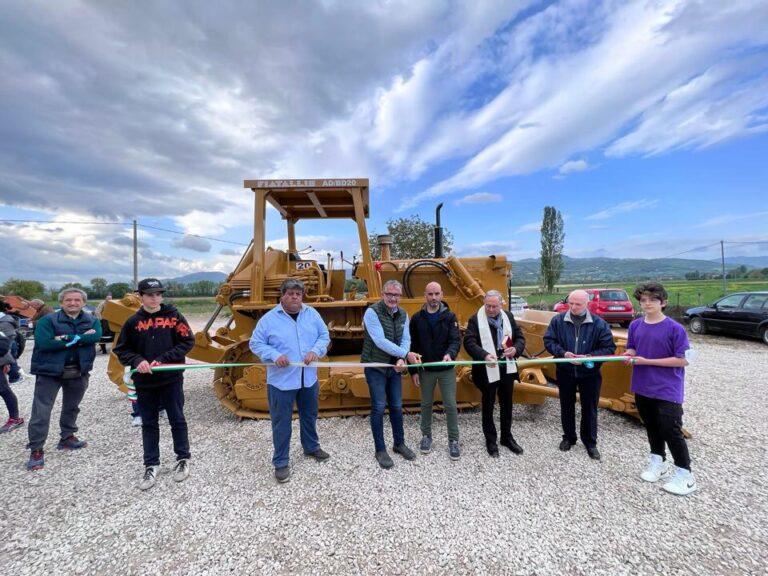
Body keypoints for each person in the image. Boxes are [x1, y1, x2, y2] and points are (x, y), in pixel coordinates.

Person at [113, 278, 195, 491]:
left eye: (158, 294)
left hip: (171, 378)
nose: (155, 298)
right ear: (140, 296)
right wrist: (137, 361)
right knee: (148, 423)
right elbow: (122, 349)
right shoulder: (132, 322)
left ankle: (183, 458)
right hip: (145, 383)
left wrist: (165, 359)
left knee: (177, 419)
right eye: (150, 294)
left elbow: (187, 341)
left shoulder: (175, 317)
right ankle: (151, 464)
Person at [249, 278, 331, 483]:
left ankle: (311, 448)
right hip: (281, 382)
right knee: (281, 422)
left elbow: (324, 336)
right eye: (290, 293)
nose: (295, 297)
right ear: (282, 296)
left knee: (310, 415)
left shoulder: (311, 314)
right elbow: (255, 343)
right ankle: (281, 462)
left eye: (298, 294)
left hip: (308, 379)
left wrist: (315, 351)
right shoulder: (268, 319)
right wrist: (274, 355)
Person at [624, 282, 697, 495]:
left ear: (663, 302)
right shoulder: (635, 325)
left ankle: (686, 475)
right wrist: (630, 353)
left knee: (671, 430)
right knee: (652, 426)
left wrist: (647, 361)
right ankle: (658, 463)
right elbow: (632, 347)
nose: (647, 304)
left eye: (652, 300)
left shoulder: (675, 329)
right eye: (643, 300)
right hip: (642, 386)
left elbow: (683, 361)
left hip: (667, 389)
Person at [26, 288, 101, 470]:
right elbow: (44, 343)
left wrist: (64, 338)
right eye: (68, 300)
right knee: (41, 411)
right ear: (61, 303)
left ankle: (67, 437)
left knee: (72, 406)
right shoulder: (47, 321)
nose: (73, 303)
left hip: (78, 370)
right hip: (49, 372)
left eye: (77, 300)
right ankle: (36, 448)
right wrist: (79, 338)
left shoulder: (92, 320)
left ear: (83, 302)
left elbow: (97, 336)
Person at [543, 289, 616, 460]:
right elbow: (549, 341)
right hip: (565, 371)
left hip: (590, 373)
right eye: (571, 303)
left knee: (589, 408)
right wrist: (563, 353)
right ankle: (568, 438)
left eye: (578, 304)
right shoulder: (558, 321)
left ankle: (590, 443)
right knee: (566, 406)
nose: (574, 307)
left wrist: (589, 357)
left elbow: (609, 348)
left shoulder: (599, 324)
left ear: (587, 304)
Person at [362, 279, 419, 469]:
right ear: (382, 294)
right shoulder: (372, 312)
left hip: (394, 366)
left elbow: (406, 338)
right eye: (389, 294)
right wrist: (404, 354)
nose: (393, 298)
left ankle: (399, 444)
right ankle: (380, 449)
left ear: (400, 296)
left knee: (396, 405)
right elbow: (379, 341)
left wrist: (402, 359)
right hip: (375, 366)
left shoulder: (403, 314)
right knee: (378, 406)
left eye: (396, 295)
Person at [463, 290, 526, 458]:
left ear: (501, 304)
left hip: (506, 368)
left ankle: (507, 437)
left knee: (507, 405)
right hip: (486, 370)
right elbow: (469, 342)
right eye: (488, 305)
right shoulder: (475, 319)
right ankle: (490, 440)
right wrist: (484, 355)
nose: (490, 309)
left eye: (494, 306)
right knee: (488, 405)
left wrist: (516, 349)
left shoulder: (508, 317)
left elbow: (520, 337)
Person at [408, 282, 461, 460]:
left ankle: (453, 440)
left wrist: (450, 354)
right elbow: (412, 346)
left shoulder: (450, 317)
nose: (433, 298)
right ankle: (426, 436)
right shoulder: (416, 319)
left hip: (446, 369)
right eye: (430, 294)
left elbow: (455, 340)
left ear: (442, 294)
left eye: (437, 294)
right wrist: (413, 371)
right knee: (426, 404)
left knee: (450, 405)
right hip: (426, 370)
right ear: (425, 295)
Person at [0, 307, 23, 433]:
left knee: (3, 390)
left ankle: (15, 418)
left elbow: (5, 344)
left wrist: (6, 362)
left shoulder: (5, 322)